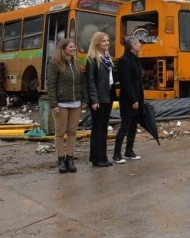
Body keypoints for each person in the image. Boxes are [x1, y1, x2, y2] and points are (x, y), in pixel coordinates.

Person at [46, 39, 88, 173]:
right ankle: (60, 159)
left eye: (74, 46)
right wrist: (54, 104)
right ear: (63, 49)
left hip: (76, 103)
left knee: (72, 131)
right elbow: (51, 85)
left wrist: (84, 99)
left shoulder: (75, 63)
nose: (74, 48)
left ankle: (69, 158)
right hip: (61, 103)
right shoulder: (54, 64)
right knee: (60, 132)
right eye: (71, 47)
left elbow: (82, 82)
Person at [85, 31, 116, 167]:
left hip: (108, 95)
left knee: (104, 128)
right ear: (97, 42)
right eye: (104, 41)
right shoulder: (92, 59)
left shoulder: (108, 58)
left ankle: (103, 156)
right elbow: (90, 81)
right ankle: (96, 158)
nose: (107, 43)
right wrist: (94, 99)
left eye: (108, 40)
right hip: (98, 97)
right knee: (97, 129)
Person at [113, 36, 144, 163]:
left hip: (137, 97)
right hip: (128, 99)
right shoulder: (124, 61)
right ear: (132, 46)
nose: (140, 45)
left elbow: (138, 80)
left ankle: (129, 150)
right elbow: (126, 82)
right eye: (138, 43)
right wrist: (133, 100)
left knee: (133, 126)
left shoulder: (136, 59)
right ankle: (116, 154)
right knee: (125, 126)